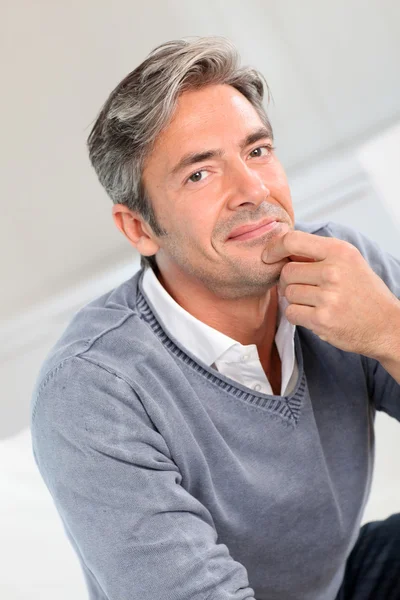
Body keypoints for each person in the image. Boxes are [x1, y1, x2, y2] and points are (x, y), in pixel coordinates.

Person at [30, 36, 400, 600]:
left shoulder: (343, 271)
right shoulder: (93, 393)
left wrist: (388, 332)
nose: (252, 190)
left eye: (257, 151)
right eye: (199, 174)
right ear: (139, 228)